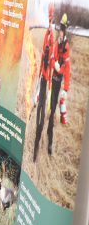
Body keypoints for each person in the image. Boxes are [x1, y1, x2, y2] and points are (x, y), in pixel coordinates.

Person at [33, 5, 57, 161]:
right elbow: (43, 55)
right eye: (48, 19)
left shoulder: (54, 37)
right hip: (43, 79)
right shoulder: (48, 36)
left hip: (50, 82)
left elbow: (51, 58)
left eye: (51, 19)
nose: (49, 22)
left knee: (47, 114)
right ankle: (37, 133)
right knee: (39, 109)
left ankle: (45, 140)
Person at [45, 14, 71, 155]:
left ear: (65, 30)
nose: (60, 31)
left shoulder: (66, 46)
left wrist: (65, 89)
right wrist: (53, 62)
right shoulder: (57, 43)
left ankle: (50, 142)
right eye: (60, 29)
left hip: (57, 82)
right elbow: (52, 56)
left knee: (54, 109)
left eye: (62, 29)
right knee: (48, 107)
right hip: (50, 79)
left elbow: (67, 70)